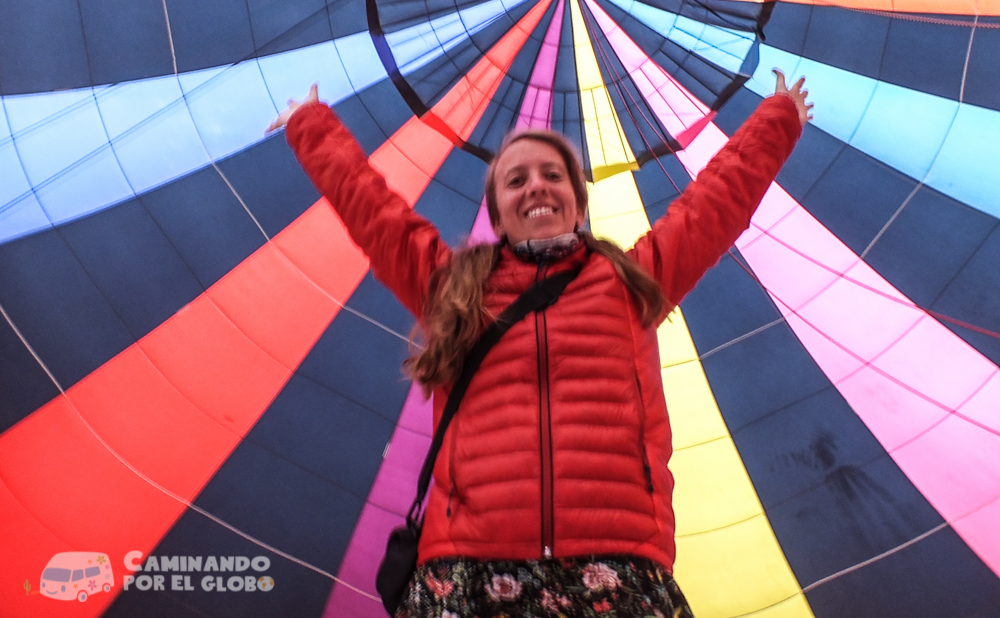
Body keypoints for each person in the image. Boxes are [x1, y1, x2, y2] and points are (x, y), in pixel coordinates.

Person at [267, 70, 811, 617]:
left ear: (578, 201)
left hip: (617, 566)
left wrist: (778, 119)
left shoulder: (632, 282)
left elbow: (716, 203)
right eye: (516, 180)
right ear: (499, 214)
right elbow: (376, 216)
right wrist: (311, 126)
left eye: (553, 174)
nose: (536, 186)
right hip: (470, 568)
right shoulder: (454, 289)